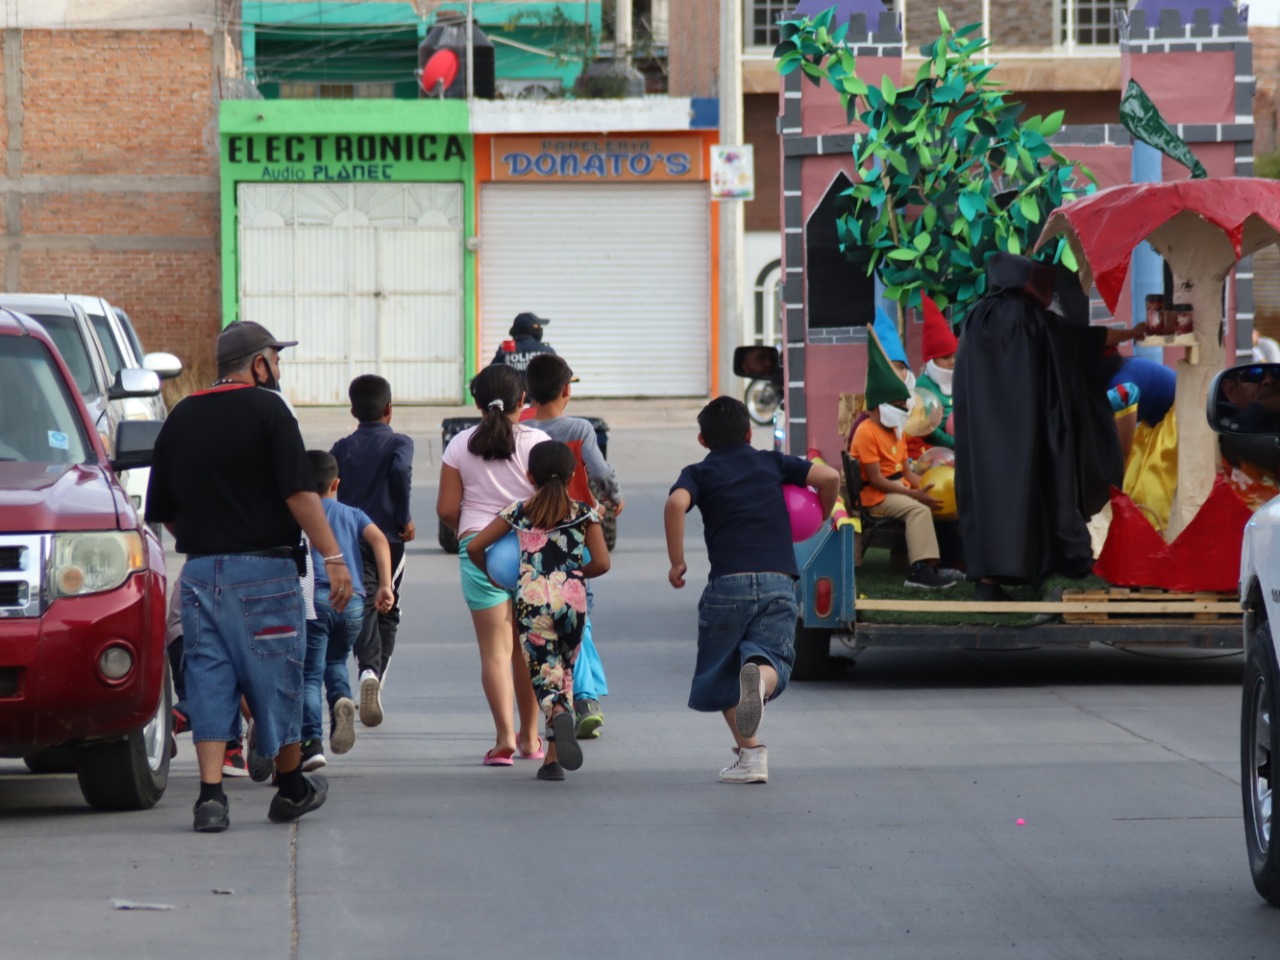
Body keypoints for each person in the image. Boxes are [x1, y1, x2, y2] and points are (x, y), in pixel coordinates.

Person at [146, 320, 353, 833]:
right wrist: (334, 556)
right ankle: (289, 787)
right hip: (265, 571)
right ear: (258, 364)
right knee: (277, 676)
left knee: (209, 678)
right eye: (275, 360)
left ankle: (211, 799)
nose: (278, 370)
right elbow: (301, 495)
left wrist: (211, 534)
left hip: (198, 574)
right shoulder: (270, 411)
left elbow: (165, 510)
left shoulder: (180, 416)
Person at [664, 397, 840, 784]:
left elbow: (676, 504)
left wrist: (677, 562)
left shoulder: (699, 471)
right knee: (771, 657)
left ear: (702, 439)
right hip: (778, 580)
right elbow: (829, 479)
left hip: (727, 584)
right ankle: (758, 689)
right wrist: (821, 516)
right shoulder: (772, 462)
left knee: (725, 670)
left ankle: (751, 754)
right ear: (749, 433)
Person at [952, 255, 1144, 599]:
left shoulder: (974, 318)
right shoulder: (1030, 319)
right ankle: (1051, 564)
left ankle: (988, 582)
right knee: (1033, 492)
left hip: (981, 439)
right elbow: (1081, 341)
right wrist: (1132, 332)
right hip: (1025, 434)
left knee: (986, 499)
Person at [466, 440, 611, 781]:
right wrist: (573, 575)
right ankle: (552, 762)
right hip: (572, 600)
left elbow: (475, 546)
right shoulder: (585, 513)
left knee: (544, 675)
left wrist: (497, 576)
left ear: (529, 475)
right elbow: (602, 563)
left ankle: (557, 712)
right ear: (574, 475)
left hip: (532, 599)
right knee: (565, 672)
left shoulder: (518, 511)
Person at [437, 364, 549, 765]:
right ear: (524, 402)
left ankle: (503, 740)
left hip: (478, 550)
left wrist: (470, 529)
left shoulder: (459, 445)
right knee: (530, 649)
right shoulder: (538, 441)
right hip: (532, 551)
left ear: (477, 403)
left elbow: (447, 509)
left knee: (495, 653)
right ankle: (531, 737)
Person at [525, 353, 623, 739]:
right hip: (577, 535)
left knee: (545, 627)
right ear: (566, 390)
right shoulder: (579, 428)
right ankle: (584, 699)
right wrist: (613, 498)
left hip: (531, 537)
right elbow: (600, 474)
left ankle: (572, 701)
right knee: (577, 619)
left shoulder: (521, 427)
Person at [301, 451, 395, 771]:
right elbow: (380, 540)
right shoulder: (353, 513)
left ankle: (311, 743)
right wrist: (385, 585)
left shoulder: (299, 515)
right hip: (354, 602)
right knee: (337, 660)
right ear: (336, 483)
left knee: (310, 675)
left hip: (315, 603)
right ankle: (341, 697)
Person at [329, 374, 414, 728]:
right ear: (389, 409)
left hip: (351, 538)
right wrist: (403, 515)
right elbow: (400, 470)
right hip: (389, 539)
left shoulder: (341, 447)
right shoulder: (400, 442)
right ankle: (371, 674)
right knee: (388, 608)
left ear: (353, 410)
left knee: (362, 604)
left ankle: (367, 671)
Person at [850, 335, 959, 589]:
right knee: (918, 509)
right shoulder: (866, 432)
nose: (903, 409)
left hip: (894, 489)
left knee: (935, 502)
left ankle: (939, 564)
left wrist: (924, 488)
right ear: (879, 405)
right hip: (876, 496)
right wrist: (917, 497)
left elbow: (907, 472)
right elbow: (877, 479)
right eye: (897, 404)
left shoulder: (895, 429)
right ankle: (919, 572)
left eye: (903, 403)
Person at [915, 295, 958, 450]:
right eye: (946, 357)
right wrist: (957, 445)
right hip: (934, 451)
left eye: (955, 356)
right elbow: (929, 429)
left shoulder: (962, 380)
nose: (953, 362)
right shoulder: (922, 387)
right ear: (932, 360)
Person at [490, 311, 556, 375]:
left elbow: (490, 377)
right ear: (530, 329)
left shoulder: (504, 352)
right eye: (538, 326)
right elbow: (559, 378)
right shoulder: (547, 352)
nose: (540, 328)